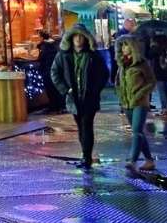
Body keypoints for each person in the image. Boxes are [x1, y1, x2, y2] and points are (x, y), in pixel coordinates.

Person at [50, 24, 109, 168]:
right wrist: (65, 90)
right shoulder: (63, 55)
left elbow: (103, 74)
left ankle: (86, 157)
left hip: (89, 97)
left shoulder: (93, 56)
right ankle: (85, 154)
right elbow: (55, 72)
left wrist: (95, 89)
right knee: (81, 126)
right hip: (73, 98)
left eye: (81, 36)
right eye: (75, 36)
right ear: (71, 38)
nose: (78, 39)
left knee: (86, 125)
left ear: (86, 38)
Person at [116, 38, 158, 175]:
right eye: (122, 46)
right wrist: (120, 95)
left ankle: (132, 160)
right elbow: (118, 82)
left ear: (132, 47)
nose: (123, 48)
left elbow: (151, 81)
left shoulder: (142, 63)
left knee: (136, 131)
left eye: (126, 45)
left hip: (140, 102)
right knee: (138, 132)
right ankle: (149, 160)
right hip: (127, 102)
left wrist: (140, 93)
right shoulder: (122, 64)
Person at [37, 31, 63, 113]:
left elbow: (41, 58)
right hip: (55, 70)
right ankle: (59, 106)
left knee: (50, 90)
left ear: (41, 37)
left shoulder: (44, 46)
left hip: (47, 70)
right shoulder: (55, 45)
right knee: (55, 89)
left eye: (39, 36)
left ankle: (54, 106)